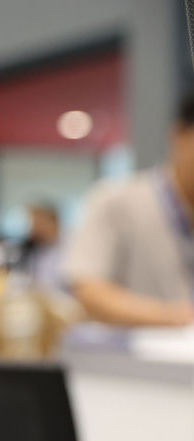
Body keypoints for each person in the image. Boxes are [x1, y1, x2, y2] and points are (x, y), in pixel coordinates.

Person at [63, 93, 194, 326]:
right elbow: (90, 292)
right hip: (130, 356)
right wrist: (179, 317)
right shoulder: (115, 200)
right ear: (180, 135)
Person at [16, 202, 64, 291]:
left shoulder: (69, 249)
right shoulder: (35, 248)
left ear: (53, 222)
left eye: (37, 223)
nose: (33, 228)